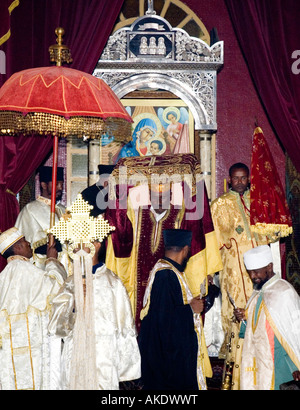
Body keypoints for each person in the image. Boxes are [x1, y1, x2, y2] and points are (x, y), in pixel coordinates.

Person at [48, 237, 141, 390]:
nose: (76, 249)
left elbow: (126, 330)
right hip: (75, 360)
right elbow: (56, 328)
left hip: (104, 361)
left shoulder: (113, 283)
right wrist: (73, 303)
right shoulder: (70, 283)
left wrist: (126, 374)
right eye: (74, 246)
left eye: (81, 244)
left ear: (96, 245)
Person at [210, 163, 269, 370]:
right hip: (234, 266)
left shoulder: (258, 201)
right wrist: (210, 271)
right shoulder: (219, 204)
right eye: (236, 178)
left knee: (260, 304)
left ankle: (261, 355)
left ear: (249, 178)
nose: (240, 182)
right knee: (234, 306)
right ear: (229, 179)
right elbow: (214, 238)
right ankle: (235, 361)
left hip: (260, 267)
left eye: (243, 178)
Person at [138, 229, 212, 390]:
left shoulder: (167, 270)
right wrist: (191, 309)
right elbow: (164, 321)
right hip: (167, 364)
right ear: (185, 249)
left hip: (165, 357)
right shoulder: (166, 276)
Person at [0, 227, 67, 390]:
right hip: (32, 343)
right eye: (24, 241)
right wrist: (52, 261)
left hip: (9, 347)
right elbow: (55, 288)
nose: (29, 243)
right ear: (17, 248)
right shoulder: (25, 270)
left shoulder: (3, 275)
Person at [234, 245, 300, 390]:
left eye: (256, 272)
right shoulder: (257, 293)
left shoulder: (284, 291)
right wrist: (243, 318)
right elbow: (251, 330)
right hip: (257, 360)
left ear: (269, 267)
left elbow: (295, 332)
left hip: (280, 363)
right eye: (250, 272)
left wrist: (295, 365)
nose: (252, 277)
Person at [15, 166, 68, 270]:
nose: (61, 188)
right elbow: (25, 245)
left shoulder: (63, 210)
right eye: (57, 183)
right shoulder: (30, 210)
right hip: (43, 270)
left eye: (62, 184)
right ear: (44, 185)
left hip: (65, 268)